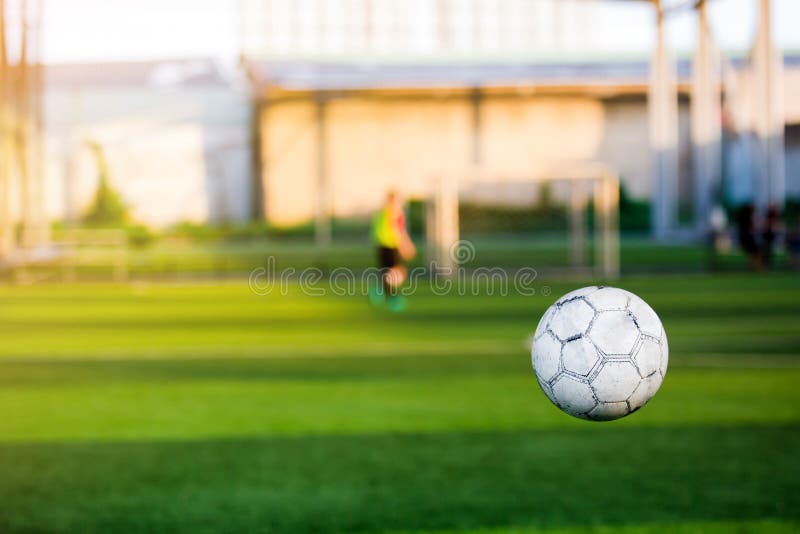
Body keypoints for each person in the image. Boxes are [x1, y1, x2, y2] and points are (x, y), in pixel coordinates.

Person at [370, 191, 416, 311]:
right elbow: (397, 230)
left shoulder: (381, 213)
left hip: (381, 245)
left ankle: (380, 293)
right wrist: (404, 246)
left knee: (388, 272)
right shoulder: (394, 213)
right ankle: (388, 296)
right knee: (397, 273)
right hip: (391, 245)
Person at [736, 203, 762, 271]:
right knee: (756, 252)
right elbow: (753, 228)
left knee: (754, 253)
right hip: (748, 238)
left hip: (744, 238)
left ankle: (753, 267)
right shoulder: (748, 219)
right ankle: (756, 267)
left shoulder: (741, 218)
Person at [762, 204, 782, 269]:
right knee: (767, 250)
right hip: (768, 236)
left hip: (769, 236)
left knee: (768, 250)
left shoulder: (771, 218)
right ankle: (765, 263)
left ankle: (766, 263)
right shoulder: (770, 218)